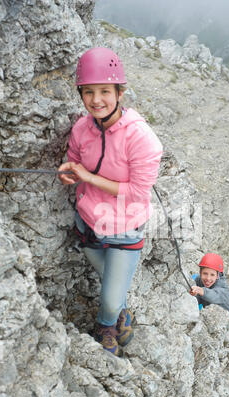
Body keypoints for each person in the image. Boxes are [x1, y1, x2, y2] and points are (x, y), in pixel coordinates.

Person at [58, 47, 162, 356]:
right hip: (90, 222)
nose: (96, 100)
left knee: (107, 299)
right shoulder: (81, 129)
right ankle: (122, 309)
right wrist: (71, 174)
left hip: (125, 227)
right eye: (88, 92)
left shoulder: (141, 138)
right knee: (110, 284)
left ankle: (106, 325)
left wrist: (88, 177)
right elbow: (76, 160)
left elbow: (138, 191)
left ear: (119, 92)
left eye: (105, 91)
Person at [189, 253, 229, 335]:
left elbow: (214, 295)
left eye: (212, 275)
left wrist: (201, 290)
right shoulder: (199, 279)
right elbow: (193, 278)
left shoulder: (223, 288)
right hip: (211, 316)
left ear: (217, 276)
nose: (208, 278)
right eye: (205, 273)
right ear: (200, 272)